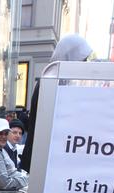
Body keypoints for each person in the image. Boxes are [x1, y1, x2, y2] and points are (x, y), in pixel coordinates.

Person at [21, 34, 94, 173]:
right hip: (46, 160)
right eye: (82, 60)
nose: (85, 64)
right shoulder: (51, 82)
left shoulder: (59, 82)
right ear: (70, 58)